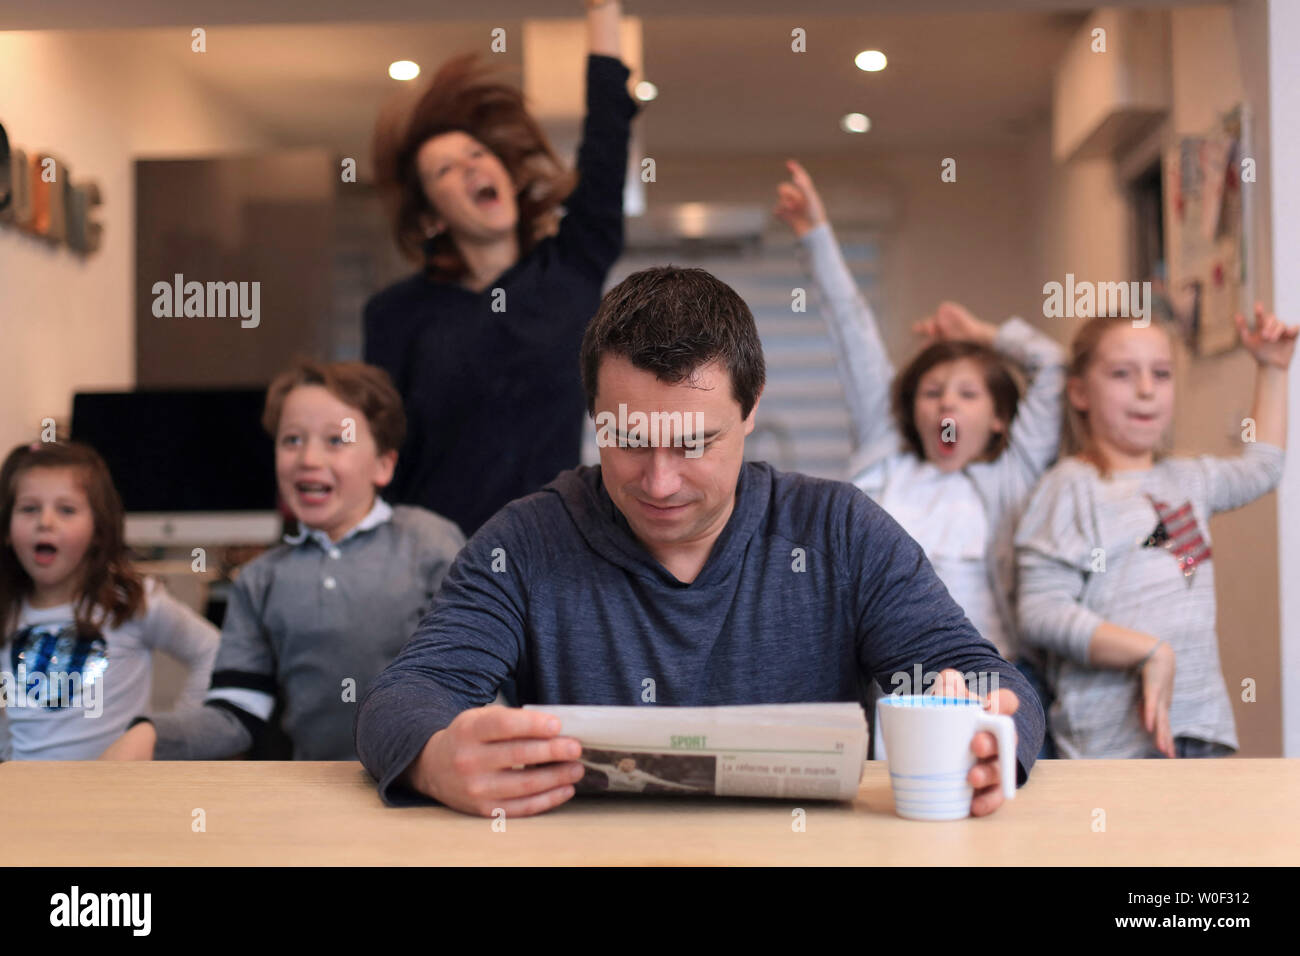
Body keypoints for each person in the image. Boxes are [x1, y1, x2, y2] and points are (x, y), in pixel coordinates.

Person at [355, 266, 1044, 818]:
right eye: (627, 439)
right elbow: (407, 693)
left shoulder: (839, 530)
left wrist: (991, 740)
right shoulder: (528, 540)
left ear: (751, 408)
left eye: (693, 443)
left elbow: (985, 677)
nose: (658, 481)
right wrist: (435, 756)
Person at [774, 159, 1067, 754]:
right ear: (911, 411)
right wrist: (817, 235)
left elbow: (1054, 366)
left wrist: (984, 334)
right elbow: (853, 334)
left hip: (996, 680)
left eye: (967, 392)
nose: (946, 405)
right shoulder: (887, 457)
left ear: (1001, 416)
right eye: (932, 393)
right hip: (889, 687)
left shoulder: (1009, 477)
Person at [364, 0, 638, 538]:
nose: (473, 168)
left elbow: (607, 134)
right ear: (429, 218)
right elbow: (379, 451)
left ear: (506, 175)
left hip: (555, 553)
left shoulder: (570, 267)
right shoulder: (396, 313)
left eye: (477, 154)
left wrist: (603, 10)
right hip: (438, 567)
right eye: (447, 169)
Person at [99, 361, 464, 761]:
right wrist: (151, 733)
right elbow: (235, 713)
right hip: (316, 795)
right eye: (292, 440)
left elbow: (472, 679)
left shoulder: (428, 542)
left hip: (426, 785)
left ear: (384, 464)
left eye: (335, 440)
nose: (308, 457)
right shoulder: (260, 579)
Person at [1015, 306, 1295, 758]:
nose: (1146, 390)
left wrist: (1273, 368)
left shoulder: (1191, 478)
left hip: (1202, 729)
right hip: (1110, 745)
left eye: (1161, 374)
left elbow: (1262, 467)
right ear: (1080, 392)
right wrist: (1147, 651)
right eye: (1123, 374)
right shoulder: (1068, 488)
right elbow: (1041, 610)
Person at [0, 441, 218, 760]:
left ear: (99, 530)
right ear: (6, 528)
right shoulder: (7, 611)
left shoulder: (131, 601)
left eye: (66, 510)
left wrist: (169, 736)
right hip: (29, 798)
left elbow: (211, 651)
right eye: (29, 508)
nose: (45, 521)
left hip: (115, 800)